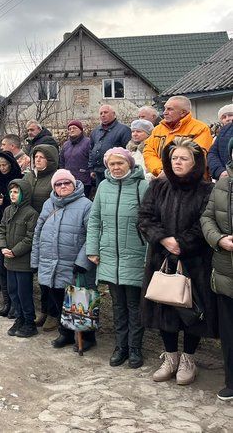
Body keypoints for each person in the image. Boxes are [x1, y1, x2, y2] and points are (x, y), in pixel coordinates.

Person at [139, 138, 216, 385]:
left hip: (194, 261)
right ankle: (170, 357)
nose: (178, 162)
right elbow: (144, 217)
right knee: (165, 307)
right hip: (161, 259)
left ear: (195, 163)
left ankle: (188, 359)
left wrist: (181, 242)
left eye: (184, 158)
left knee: (192, 311)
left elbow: (206, 222)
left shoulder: (206, 191)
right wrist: (162, 239)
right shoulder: (158, 187)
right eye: (174, 158)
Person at [86, 148, 149, 369]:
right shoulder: (103, 186)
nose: (115, 168)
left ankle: (134, 348)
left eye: (120, 163)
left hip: (135, 253)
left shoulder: (143, 186)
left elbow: (151, 222)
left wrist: (149, 254)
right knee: (117, 304)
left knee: (134, 304)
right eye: (112, 164)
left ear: (129, 164)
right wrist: (93, 249)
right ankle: (120, 346)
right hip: (109, 254)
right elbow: (94, 220)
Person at [31, 169, 95, 349]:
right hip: (50, 261)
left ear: (73, 184)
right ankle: (65, 332)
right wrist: (36, 260)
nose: (63, 186)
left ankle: (87, 337)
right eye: (58, 184)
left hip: (75, 263)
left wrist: (83, 261)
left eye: (67, 183)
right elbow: (38, 232)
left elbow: (93, 234)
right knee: (58, 298)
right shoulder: (48, 204)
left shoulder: (86, 205)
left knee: (80, 299)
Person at [201, 137, 233, 400]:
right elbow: (208, 217)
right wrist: (219, 239)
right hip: (225, 270)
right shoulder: (223, 183)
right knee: (229, 331)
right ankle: (231, 381)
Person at [0, 179, 39, 337]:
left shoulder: (31, 213)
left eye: (16, 192)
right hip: (9, 260)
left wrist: (14, 251)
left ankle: (29, 321)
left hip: (22, 261)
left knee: (24, 292)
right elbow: (1, 229)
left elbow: (30, 238)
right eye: (11, 192)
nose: (12, 195)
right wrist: (2, 247)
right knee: (12, 290)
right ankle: (19, 318)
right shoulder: (8, 210)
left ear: (24, 194)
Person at [0, 151, 23, 315]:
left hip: (14, 225)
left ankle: (15, 304)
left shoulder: (18, 179)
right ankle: (6, 302)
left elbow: (22, 200)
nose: (2, 169)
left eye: (4, 165)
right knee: (0, 265)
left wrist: (6, 201)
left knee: (10, 265)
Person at [143, 96, 213, 178]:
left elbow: (197, 156)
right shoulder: (158, 129)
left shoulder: (200, 129)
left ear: (183, 112)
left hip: (191, 182)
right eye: (165, 109)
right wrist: (160, 170)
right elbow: (148, 152)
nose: (164, 112)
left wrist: (169, 172)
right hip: (162, 180)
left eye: (170, 109)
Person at [88, 105, 131, 187]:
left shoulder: (124, 130)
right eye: (101, 113)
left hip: (115, 171)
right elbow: (91, 150)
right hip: (98, 172)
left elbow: (129, 152)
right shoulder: (95, 131)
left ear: (113, 114)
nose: (103, 115)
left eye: (105, 112)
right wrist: (92, 168)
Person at [60, 120, 91, 192]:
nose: (72, 130)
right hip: (68, 181)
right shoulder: (65, 145)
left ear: (80, 130)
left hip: (84, 181)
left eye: (74, 128)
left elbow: (91, 160)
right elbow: (61, 162)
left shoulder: (88, 142)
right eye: (70, 129)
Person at [208, 104, 233, 181]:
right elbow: (212, 153)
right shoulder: (222, 133)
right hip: (225, 180)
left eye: (230, 115)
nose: (227, 119)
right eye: (224, 117)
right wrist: (219, 171)